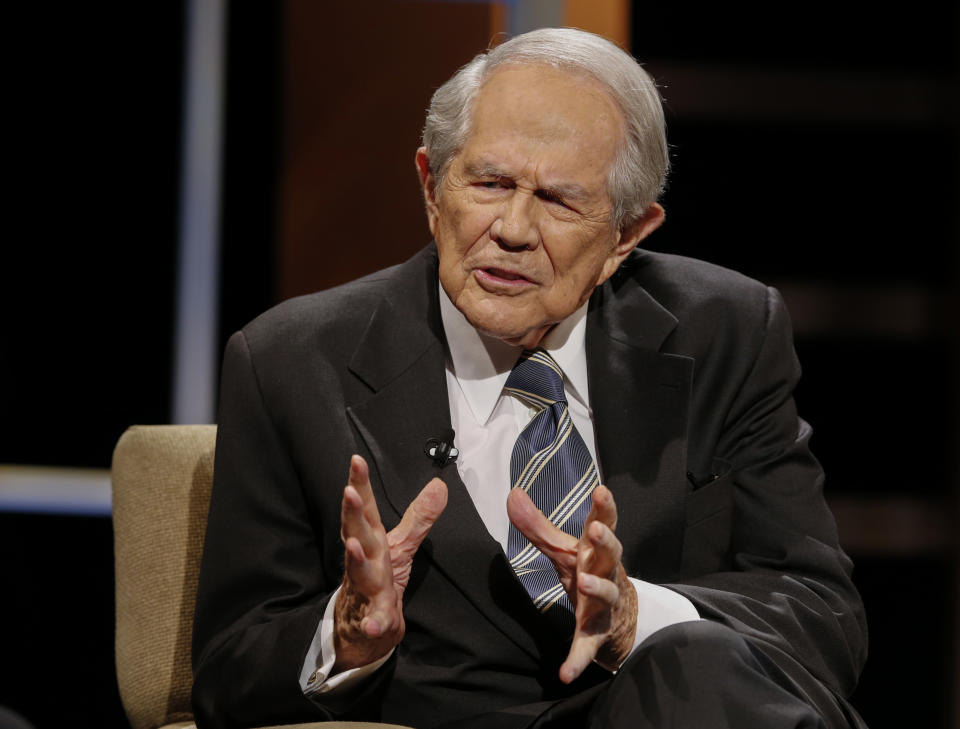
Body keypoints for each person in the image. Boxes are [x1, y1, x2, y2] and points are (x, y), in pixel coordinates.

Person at [192, 28, 868, 729]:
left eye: (557, 200)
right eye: (488, 183)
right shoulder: (294, 364)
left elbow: (821, 618)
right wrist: (348, 633)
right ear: (430, 185)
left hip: (693, 707)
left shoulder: (724, 331)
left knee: (691, 659)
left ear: (628, 234)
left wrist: (637, 615)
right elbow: (227, 666)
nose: (512, 228)